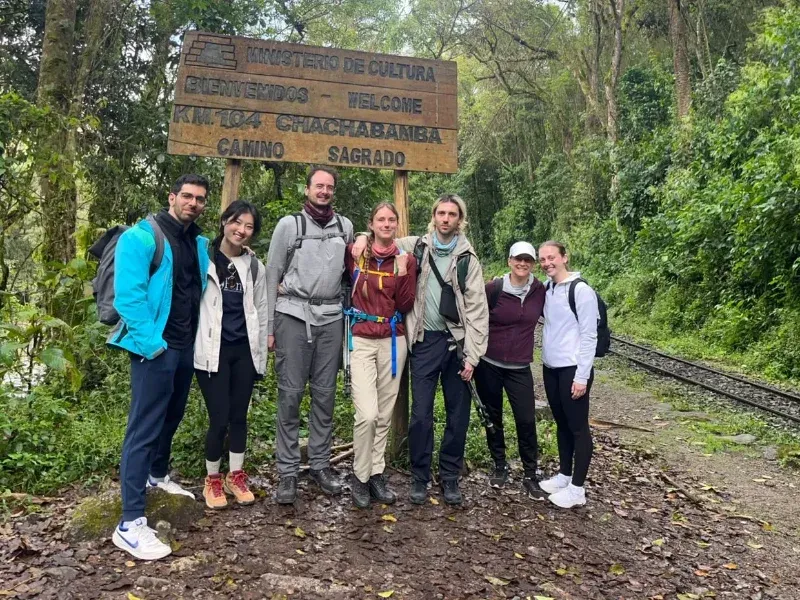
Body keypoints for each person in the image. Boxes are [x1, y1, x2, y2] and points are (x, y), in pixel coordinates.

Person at [352, 194, 489, 506]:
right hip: (424, 341)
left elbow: (479, 311)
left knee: (458, 416)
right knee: (421, 415)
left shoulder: (469, 259)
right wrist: (361, 236)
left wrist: (473, 354)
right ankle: (420, 477)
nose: (445, 219)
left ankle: (450, 477)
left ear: (459, 219)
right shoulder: (417, 245)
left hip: (457, 344)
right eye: (441, 213)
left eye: (452, 214)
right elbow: (382, 237)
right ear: (434, 216)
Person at [110, 174, 211, 560]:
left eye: (200, 199)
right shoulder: (140, 238)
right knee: (144, 427)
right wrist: (152, 345)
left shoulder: (197, 242)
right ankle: (130, 522)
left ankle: (158, 475)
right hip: (154, 347)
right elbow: (129, 297)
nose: (193, 203)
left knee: (172, 415)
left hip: (185, 346)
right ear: (172, 197)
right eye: (187, 196)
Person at [265, 166, 354, 504]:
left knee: (325, 395)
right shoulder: (290, 225)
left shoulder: (344, 227)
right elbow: (272, 275)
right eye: (319, 185)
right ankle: (287, 472)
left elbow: (352, 273)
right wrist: (270, 328)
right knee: (290, 395)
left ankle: (319, 464)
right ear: (307, 189)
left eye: (329, 187)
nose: (324, 191)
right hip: (291, 314)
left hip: (331, 317)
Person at [194, 200, 268, 509]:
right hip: (212, 350)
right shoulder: (204, 258)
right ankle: (212, 478)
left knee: (239, 416)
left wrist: (261, 353)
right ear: (225, 221)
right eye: (237, 223)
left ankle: (235, 475)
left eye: (249, 227)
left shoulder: (253, 266)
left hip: (244, 350)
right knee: (219, 417)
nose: (242, 230)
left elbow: (261, 310)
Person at [344, 203, 417, 508]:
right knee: (367, 414)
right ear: (371, 224)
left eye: (391, 220)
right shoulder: (356, 253)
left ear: (397, 225)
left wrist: (400, 275)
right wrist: (361, 236)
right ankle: (359, 477)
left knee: (384, 414)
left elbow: (406, 302)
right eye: (380, 220)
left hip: (392, 340)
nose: (386, 224)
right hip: (361, 339)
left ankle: (376, 473)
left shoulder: (406, 260)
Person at [473, 241, 547, 498]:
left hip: (519, 367)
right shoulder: (494, 288)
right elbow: (474, 314)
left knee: (526, 420)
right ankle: (499, 466)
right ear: (509, 261)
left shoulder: (540, 290)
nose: (523, 263)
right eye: (518, 259)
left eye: (528, 260)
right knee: (493, 418)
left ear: (533, 264)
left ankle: (530, 473)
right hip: (489, 364)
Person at [537, 240, 599, 509]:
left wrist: (582, 376)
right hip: (552, 367)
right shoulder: (548, 289)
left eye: (552, 257)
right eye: (543, 259)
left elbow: (589, 335)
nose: (547, 263)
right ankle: (564, 475)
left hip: (573, 368)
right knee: (561, 424)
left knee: (578, 427)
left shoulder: (581, 290)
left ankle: (578, 488)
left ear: (564, 257)